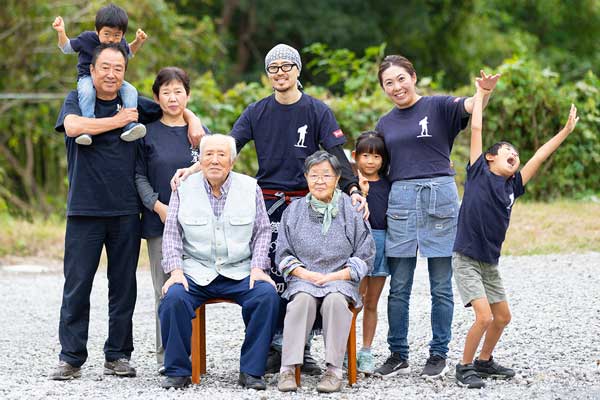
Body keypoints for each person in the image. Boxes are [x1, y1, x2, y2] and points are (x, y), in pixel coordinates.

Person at [171, 43, 368, 375]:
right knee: (270, 275)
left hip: (307, 202)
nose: (280, 73)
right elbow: (226, 147)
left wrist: (351, 189)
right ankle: (273, 346)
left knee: (305, 273)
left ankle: (301, 348)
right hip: (267, 200)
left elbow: (336, 153)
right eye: (273, 68)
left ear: (297, 70)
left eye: (286, 66)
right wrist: (193, 169)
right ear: (267, 74)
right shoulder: (256, 111)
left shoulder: (317, 110)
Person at [49, 43, 203, 381]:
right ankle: (71, 357)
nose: (111, 74)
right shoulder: (78, 98)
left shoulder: (134, 103)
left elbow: (171, 105)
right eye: (104, 67)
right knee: (77, 285)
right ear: (92, 69)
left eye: (118, 68)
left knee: (123, 287)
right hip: (84, 209)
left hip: (125, 212)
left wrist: (194, 119)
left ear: (124, 72)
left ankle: (117, 355)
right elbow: (73, 127)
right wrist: (118, 121)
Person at [374, 55, 501, 379]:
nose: (396, 86)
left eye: (401, 78)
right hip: (401, 200)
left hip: (440, 197)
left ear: (413, 77)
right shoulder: (385, 123)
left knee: (441, 285)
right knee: (399, 285)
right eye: (389, 82)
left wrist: (483, 93)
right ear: (384, 88)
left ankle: (438, 352)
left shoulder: (440, 106)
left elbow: (470, 107)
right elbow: (377, 165)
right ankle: (397, 353)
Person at [453, 77, 579, 388]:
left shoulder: (513, 186)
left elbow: (539, 156)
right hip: (466, 257)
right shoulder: (478, 172)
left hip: (489, 262)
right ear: (490, 158)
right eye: (507, 150)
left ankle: (484, 362)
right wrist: (481, 94)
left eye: (516, 152)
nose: (515, 154)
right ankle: (463, 367)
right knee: (483, 317)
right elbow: (478, 130)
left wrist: (564, 132)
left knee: (503, 317)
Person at [158, 134, 280, 390]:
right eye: (209, 154)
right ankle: (178, 371)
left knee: (266, 295)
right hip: (196, 271)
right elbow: (171, 233)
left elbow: (262, 231)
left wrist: (258, 267)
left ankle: (251, 371)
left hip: (240, 270)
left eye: (221, 155)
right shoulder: (183, 189)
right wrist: (175, 271)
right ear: (200, 160)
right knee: (173, 298)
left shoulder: (250, 187)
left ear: (232, 161)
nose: (214, 160)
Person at [275, 151, 375, 393]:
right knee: (301, 302)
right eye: (314, 175)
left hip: (340, 279)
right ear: (307, 178)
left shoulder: (352, 210)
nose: (320, 181)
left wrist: (334, 276)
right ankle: (287, 369)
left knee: (334, 302)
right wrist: (306, 275)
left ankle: (333, 371)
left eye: (326, 175)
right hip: (304, 278)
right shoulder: (294, 210)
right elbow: (283, 254)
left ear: (338, 177)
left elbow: (365, 255)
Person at [135, 67, 209, 375]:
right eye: (166, 92)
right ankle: (167, 357)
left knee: (199, 286)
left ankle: (195, 355)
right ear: (156, 97)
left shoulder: (199, 134)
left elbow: (213, 170)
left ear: (188, 96)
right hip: (160, 223)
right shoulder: (147, 131)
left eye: (179, 91)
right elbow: (138, 175)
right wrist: (157, 206)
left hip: (199, 225)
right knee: (165, 290)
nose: (172, 97)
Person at [52, 3, 148, 146]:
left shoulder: (120, 43)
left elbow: (129, 52)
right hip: (87, 77)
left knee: (131, 90)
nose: (111, 39)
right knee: (87, 92)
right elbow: (66, 48)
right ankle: (88, 127)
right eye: (107, 34)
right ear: (97, 31)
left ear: (122, 34)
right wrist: (61, 32)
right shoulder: (87, 39)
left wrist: (138, 41)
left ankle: (129, 125)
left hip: (112, 81)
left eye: (117, 35)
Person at [351, 131, 391, 374]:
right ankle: (346, 349)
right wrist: (361, 192)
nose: (370, 161)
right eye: (365, 155)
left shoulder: (388, 184)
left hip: (381, 242)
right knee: (353, 301)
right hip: (356, 246)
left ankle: (365, 350)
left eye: (376, 156)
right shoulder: (349, 184)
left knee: (372, 302)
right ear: (355, 156)